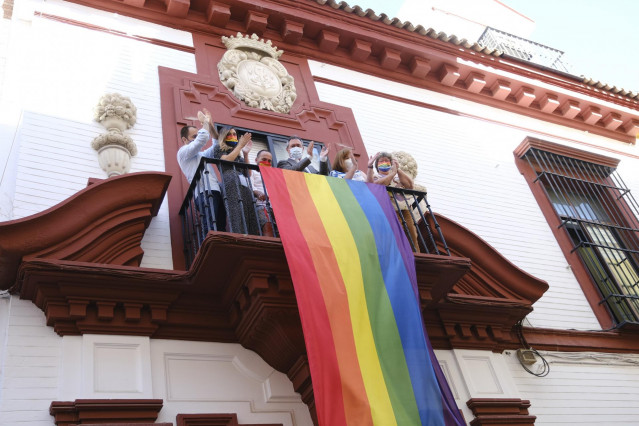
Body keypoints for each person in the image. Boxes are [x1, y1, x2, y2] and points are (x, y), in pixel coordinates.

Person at [177, 108, 226, 233]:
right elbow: (202, 139)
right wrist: (204, 124)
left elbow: (216, 149)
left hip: (215, 190)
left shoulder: (201, 154)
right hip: (204, 192)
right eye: (194, 136)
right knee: (210, 223)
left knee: (220, 224)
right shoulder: (183, 153)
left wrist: (210, 125)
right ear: (184, 140)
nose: (197, 137)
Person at [368, 151, 421, 252]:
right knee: (397, 232)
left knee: (412, 233)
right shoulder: (376, 176)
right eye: (381, 161)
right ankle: (398, 253)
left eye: (387, 161)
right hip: (389, 210)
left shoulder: (397, 177)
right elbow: (379, 185)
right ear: (377, 165)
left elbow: (410, 185)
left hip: (405, 209)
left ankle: (415, 254)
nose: (384, 162)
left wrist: (398, 170)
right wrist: (392, 174)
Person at [212, 126, 260, 235]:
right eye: (230, 134)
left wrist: (246, 153)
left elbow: (248, 173)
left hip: (243, 185)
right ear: (224, 137)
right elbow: (227, 160)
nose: (233, 136)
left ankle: (252, 236)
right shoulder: (219, 148)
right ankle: (239, 235)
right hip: (231, 181)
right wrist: (240, 145)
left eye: (235, 134)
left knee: (249, 211)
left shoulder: (238, 155)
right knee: (236, 210)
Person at [251, 150, 275, 237]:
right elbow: (251, 187)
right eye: (264, 159)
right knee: (267, 225)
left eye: (269, 161)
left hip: (274, 207)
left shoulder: (273, 175)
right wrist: (259, 194)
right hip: (261, 204)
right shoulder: (252, 171)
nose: (267, 162)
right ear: (256, 159)